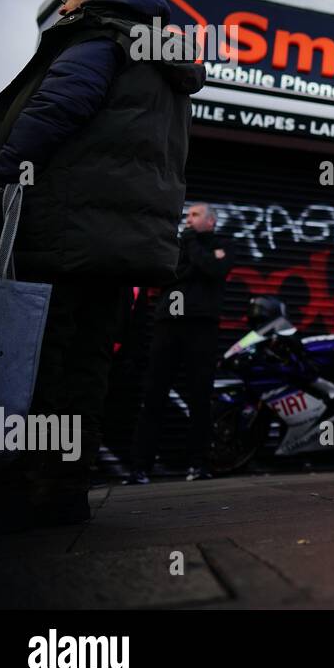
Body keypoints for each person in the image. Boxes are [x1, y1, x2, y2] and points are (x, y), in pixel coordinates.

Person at [0, 0, 204, 529]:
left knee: (41, 357)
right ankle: (63, 486)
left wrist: (1, 173)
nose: (64, 4)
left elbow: (55, 109)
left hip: (64, 228)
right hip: (121, 240)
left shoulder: (101, 37)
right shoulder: (161, 57)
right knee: (88, 361)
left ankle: (21, 489)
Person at [130, 202, 235, 483]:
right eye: (187, 215)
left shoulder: (221, 243)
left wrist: (193, 254)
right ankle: (141, 466)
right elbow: (166, 275)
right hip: (168, 326)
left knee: (200, 398)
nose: (188, 219)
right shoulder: (175, 245)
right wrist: (194, 261)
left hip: (202, 327)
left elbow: (215, 269)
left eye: (195, 214)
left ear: (211, 221)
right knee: (154, 395)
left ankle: (198, 464)